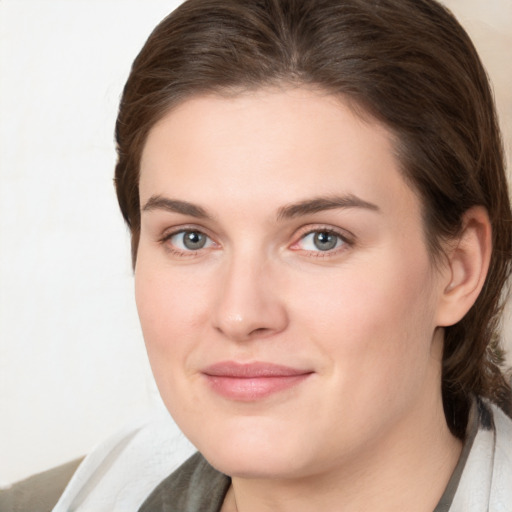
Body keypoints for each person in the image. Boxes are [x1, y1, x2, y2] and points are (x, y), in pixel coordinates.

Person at [60, 0, 512, 510]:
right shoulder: (75, 494)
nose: (239, 314)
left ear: (459, 267)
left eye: (322, 238)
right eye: (191, 238)